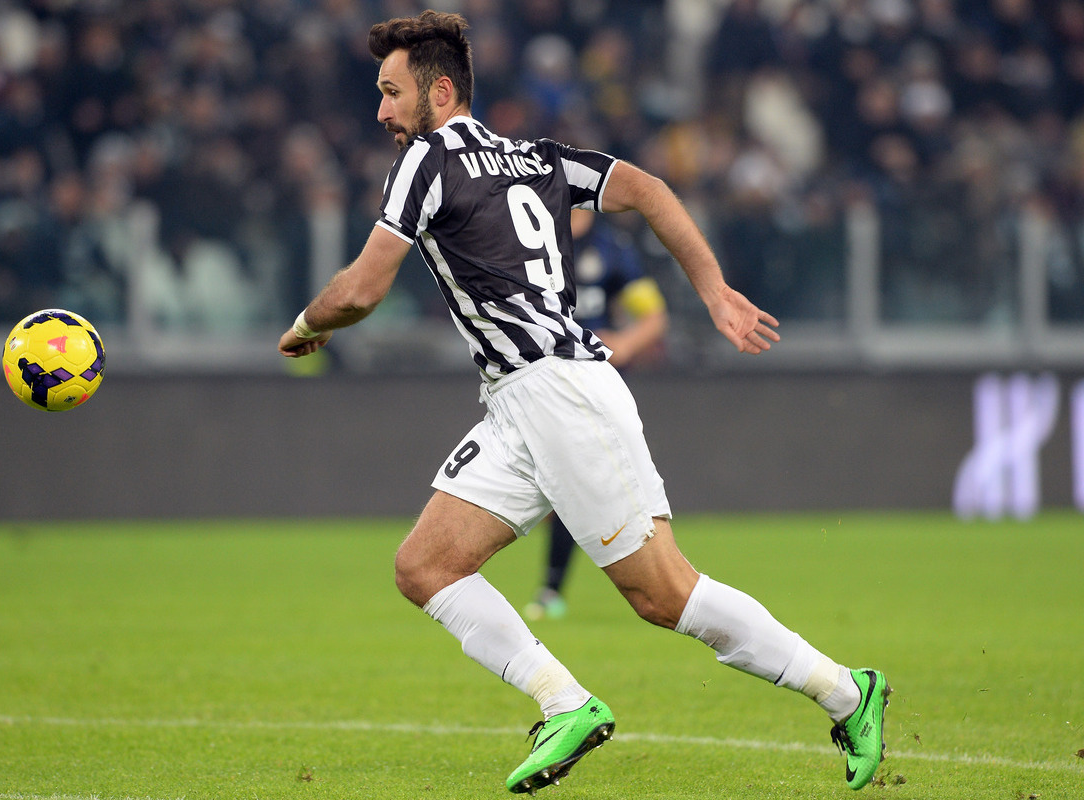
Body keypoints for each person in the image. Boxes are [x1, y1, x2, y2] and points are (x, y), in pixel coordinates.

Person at [278, 11, 889, 795]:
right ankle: (563, 701)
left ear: (439, 91)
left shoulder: (427, 159)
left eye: (392, 93)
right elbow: (650, 189)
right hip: (516, 402)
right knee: (425, 566)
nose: (382, 112)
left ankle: (846, 691)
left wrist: (304, 325)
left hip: (562, 391)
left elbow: (362, 291)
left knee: (665, 595)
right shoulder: (539, 156)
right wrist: (713, 291)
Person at [524, 208, 669, 622]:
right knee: (567, 488)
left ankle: (553, 589)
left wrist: (625, 342)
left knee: (572, 487)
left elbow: (654, 317)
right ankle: (556, 588)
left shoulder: (611, 250)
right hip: (542, 382)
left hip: (594, 385)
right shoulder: (532, 242)